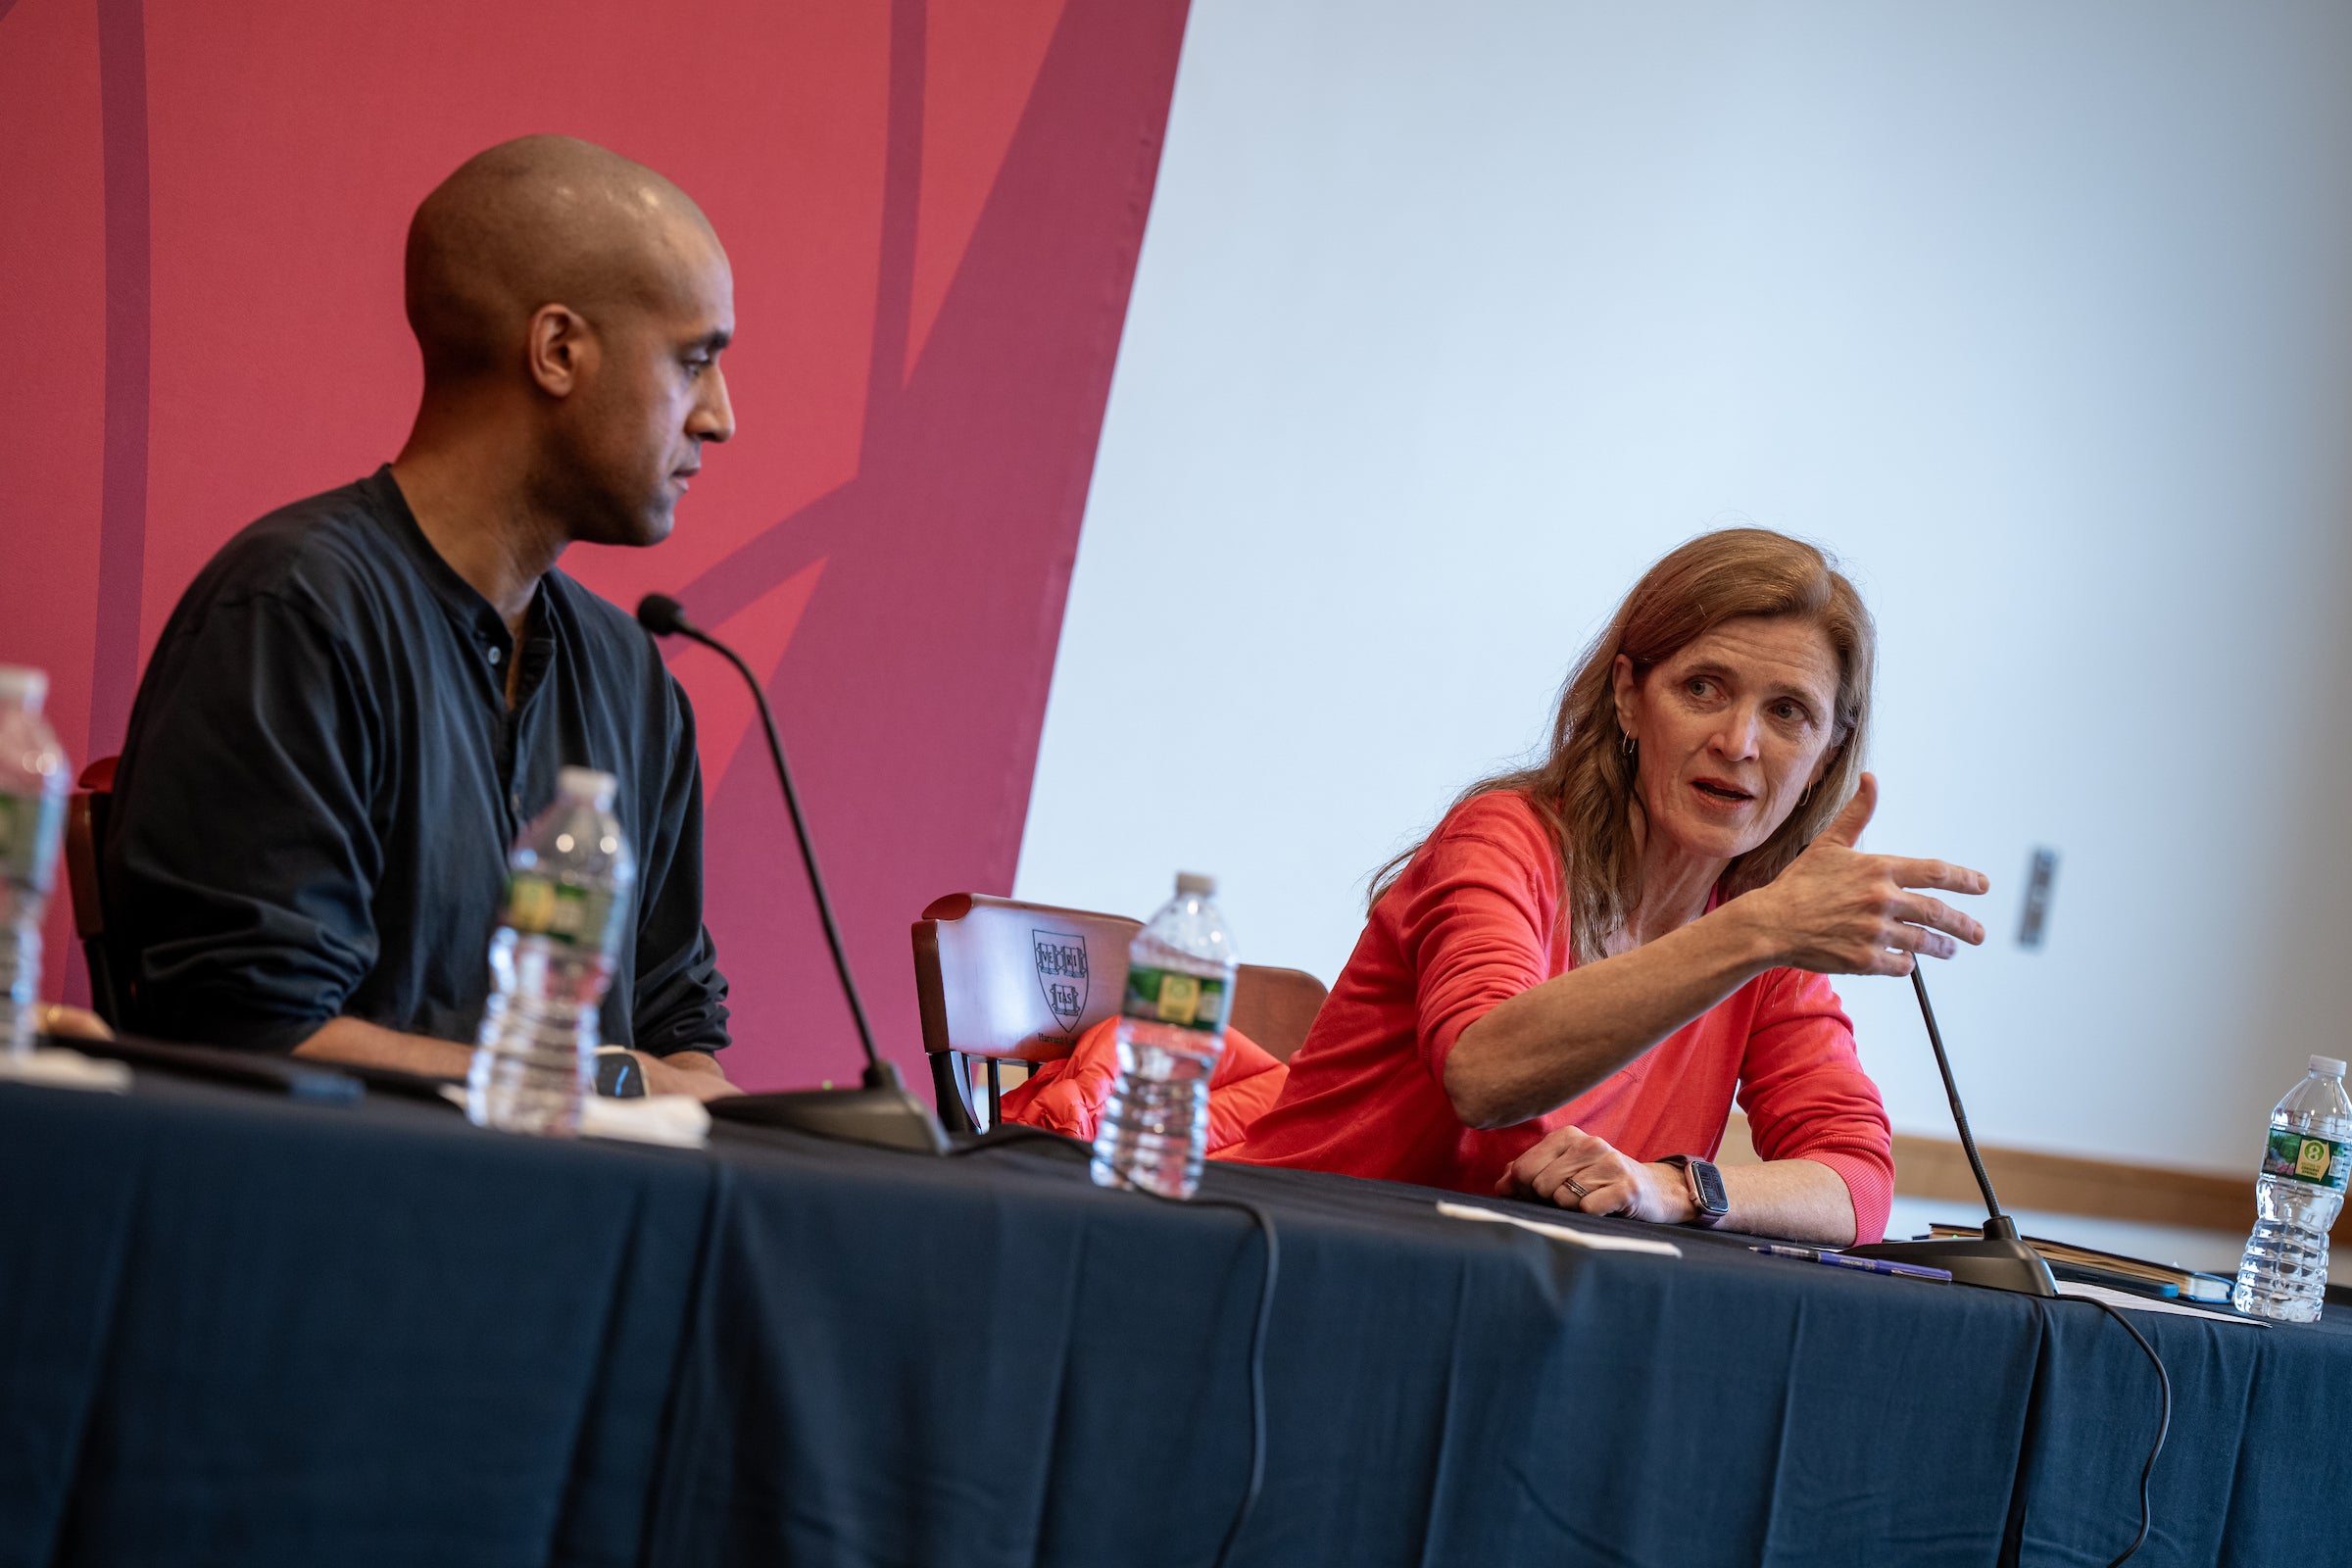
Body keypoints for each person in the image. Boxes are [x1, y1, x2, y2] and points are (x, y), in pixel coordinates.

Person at [101, 136, 742, 1100]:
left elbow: (680, 1035)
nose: (720, 418)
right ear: (559, 351)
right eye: (694, 361)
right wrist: (610, 1082)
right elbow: (252, 1039)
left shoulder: (634, 676)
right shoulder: (293, 613)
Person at [1224, 529, 1989, 1245]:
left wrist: (1679, 1190)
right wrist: (1758, 933)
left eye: (1788, 712)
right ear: (1629, 694)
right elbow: (1484, 1074)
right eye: (1703, 689)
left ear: (1826, 756)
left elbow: (1858, 1183)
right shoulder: (1505, 840)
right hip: (1284, 1254)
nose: (1738, 743)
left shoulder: (1763, 927)